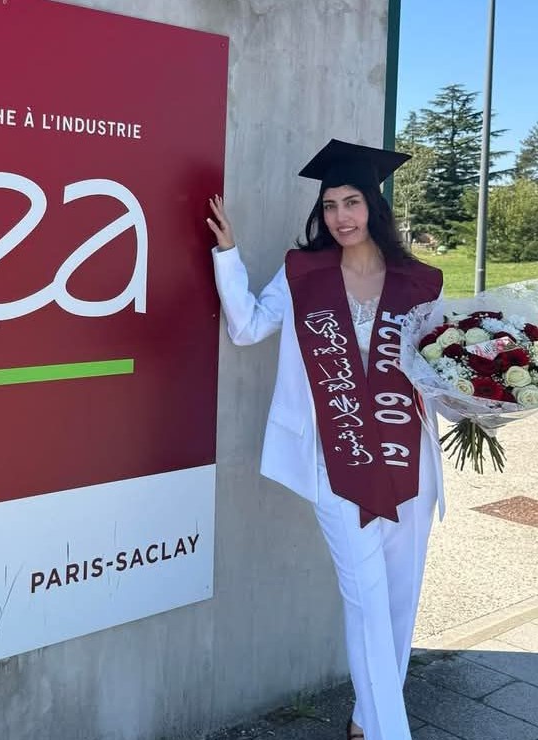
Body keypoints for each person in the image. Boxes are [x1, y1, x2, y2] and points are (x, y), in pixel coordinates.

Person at [206, 139, 446, 740]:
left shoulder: (419, 282)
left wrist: (479, 399)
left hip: (406, 454)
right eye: (331, 205)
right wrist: (228, 255)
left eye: (352, 202)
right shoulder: (304, 273)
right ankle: (390, 733)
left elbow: (439, 366)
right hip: (335, 455)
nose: (341, 216)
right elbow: (247, 327)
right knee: (364, 596)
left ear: (374, 207)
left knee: (400, 595)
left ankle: (368, 718)